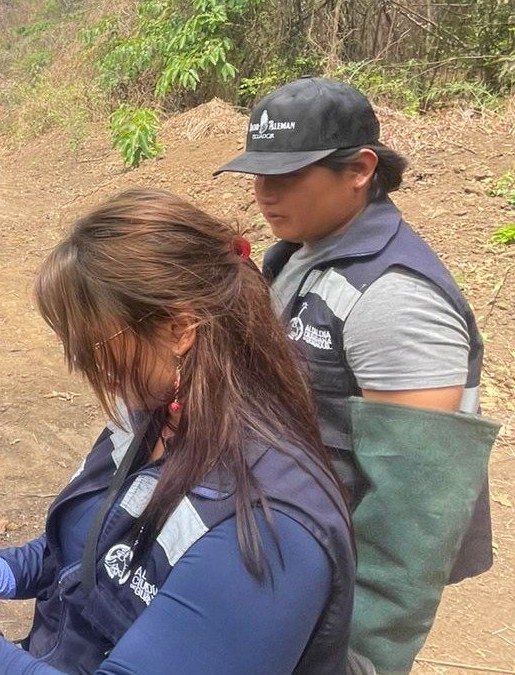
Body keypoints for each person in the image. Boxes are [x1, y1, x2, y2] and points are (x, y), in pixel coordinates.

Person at [0, 189, 356, 674]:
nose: (83, 367)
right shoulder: (148, 418)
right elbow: (94, 551)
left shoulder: (269, 531)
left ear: (178, 328)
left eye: (93, 346)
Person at [216, 77, 498, 674]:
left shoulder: (395, 300)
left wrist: (363, 654)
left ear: (360, 169)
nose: (264, 194)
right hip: (288, 551)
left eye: (288, 175)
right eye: (258, 175)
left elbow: (414, 516)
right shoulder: (300, 254)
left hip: (334, 584)